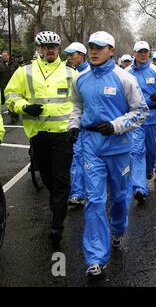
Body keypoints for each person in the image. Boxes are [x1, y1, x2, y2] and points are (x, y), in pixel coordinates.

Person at [68, 31, 149, 276]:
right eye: (91, 46)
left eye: (100, 47)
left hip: (118, 147)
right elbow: (77, 106)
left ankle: (117, 229)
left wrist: (116, 125)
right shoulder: (80, 79)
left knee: (119, 196)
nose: (94, 51)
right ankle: (95, 258)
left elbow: (140, 111)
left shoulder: (124, 79)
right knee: (94, 200)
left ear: (111, 50)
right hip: (91, 145)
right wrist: (73, 125)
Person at [5, 31, 78, 243]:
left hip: (63, 135)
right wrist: (25, 107)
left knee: (61, 178)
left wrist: (78, 125)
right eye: (45, 46)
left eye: (53, 47)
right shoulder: (24, 71)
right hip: (38, 135)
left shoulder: (70, 72)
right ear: (38, 48)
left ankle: (57, 223)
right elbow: (11, 97)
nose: (50, 50)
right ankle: (57, 202)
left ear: (58, 49)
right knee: (47, 176)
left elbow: (82, 101)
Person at [126, 41, 156, 203]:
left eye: (145, 51)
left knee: (153, 150)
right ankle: (139, 187)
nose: (143, 54)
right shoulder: (126, 73)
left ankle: (149, 168)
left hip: (154, 117)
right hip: (136, 119)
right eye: (140, 52)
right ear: (134, 53)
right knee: (136, 151)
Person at [63, 42, 90, 208]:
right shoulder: (69, 73)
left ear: (81, 55)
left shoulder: (90, 72)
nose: (69, 57)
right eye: (68, 55)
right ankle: (78, 193)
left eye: (72, 54)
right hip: (77, 123)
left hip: (93, 125)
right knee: (77, 157)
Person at [0, 50, 20, 124]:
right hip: (4, 86)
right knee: (4, 101)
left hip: (14, 86)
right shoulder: (0, 64)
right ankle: (9, 111)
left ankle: (14, 118)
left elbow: (19, 73)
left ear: (9, 56)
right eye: (3, 56)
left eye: (5, 55)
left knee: (13, 101)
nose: (4, 57)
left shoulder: (14, 64)